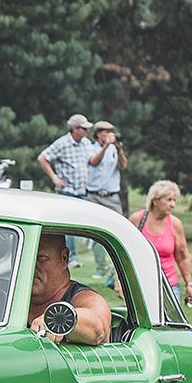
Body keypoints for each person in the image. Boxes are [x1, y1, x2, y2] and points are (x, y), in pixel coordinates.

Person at [27, 231, 112, 345]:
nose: (30, 265)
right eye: (23, 257)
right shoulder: (3, 298)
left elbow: (98, 328)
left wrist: (57, 319)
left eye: (41, 257)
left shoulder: (84, 298)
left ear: (64, 258)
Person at [129, 179, 192, 309]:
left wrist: (189, 284)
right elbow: (123, 252)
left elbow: (182, 257)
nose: (173, 204)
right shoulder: (137, 220)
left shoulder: (175, 224)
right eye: (169, 200)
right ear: (155, 200)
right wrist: (119, 282)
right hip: (141, 285)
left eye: (174, 200)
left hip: (170, 286)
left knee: (171, 327)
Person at [38, 113, 94, 267]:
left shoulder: (86, 143)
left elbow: (92, 161)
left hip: (82, 191)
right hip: (67, 192)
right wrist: (54, 178)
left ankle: (73, 257)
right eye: (83, 128)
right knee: (69, 227)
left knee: (80, 226)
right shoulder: (62, 143)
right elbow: (42, 158)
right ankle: (71, 258)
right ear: (75, 129)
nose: (86, 131)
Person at [86, 121, 128, 283]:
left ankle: (117, 268)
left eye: (111, 131)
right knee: (95, 232)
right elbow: (94, 161)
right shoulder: (91, 147)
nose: (109, 134)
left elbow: (123, 165)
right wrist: (105, 147)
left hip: (112, 196)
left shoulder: (114, 148)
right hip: (94, 195)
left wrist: (118, 148)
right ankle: (100, 267)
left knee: (119, 230)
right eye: (105, 132)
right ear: (98, 134)